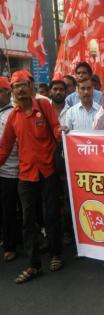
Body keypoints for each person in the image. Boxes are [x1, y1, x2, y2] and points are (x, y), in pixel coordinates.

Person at [0, 70, 64, 283]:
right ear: (13, 92)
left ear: (32, 86)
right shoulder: (13, 117)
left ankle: (56, 254)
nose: (19, 89)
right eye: (15, 86)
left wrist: (60, 132)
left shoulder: (44, 107)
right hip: (26, 175)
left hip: (48, 171)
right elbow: (5, 147)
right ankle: (33, 265)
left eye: (23, 85)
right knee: (28, 221)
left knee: (51, 214)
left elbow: (56, 128)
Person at [0, 76, 19, 262]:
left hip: (13, 170)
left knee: (9, 209)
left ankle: (11, 245)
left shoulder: (13, 114)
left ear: (7, 93)